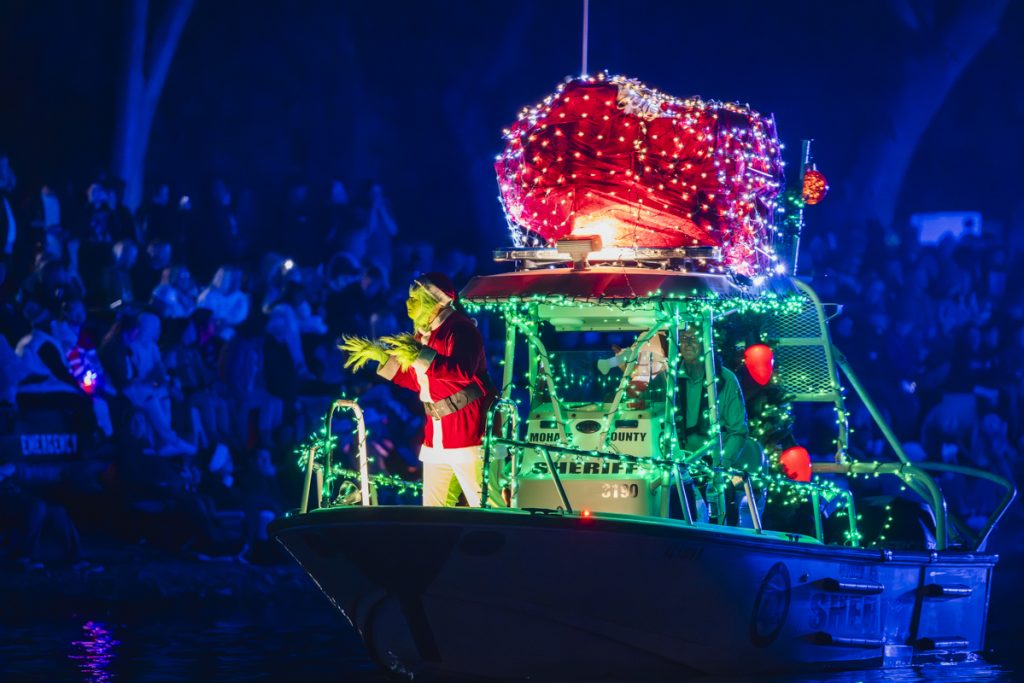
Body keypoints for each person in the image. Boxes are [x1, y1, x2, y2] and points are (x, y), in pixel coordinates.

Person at [340, 272, 497, 507]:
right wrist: (382, 357)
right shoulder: (425, 335)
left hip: (469, 432)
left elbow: (462, 371)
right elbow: (419, 380)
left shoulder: (461, 330)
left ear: (434, 301)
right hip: (436, 435)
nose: (408, 302)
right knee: (434, 510)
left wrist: (418, 355)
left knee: (486, 505)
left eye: (415, 297)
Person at [675, 325, 765, 528]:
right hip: (679, 467)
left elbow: (738, 431)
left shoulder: (725, 380)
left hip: (715, 465)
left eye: (694, 338)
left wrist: (720, 467)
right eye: (684, 338)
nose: (688, 343)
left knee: (716, 507)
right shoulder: (670, 378)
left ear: (707, 343)